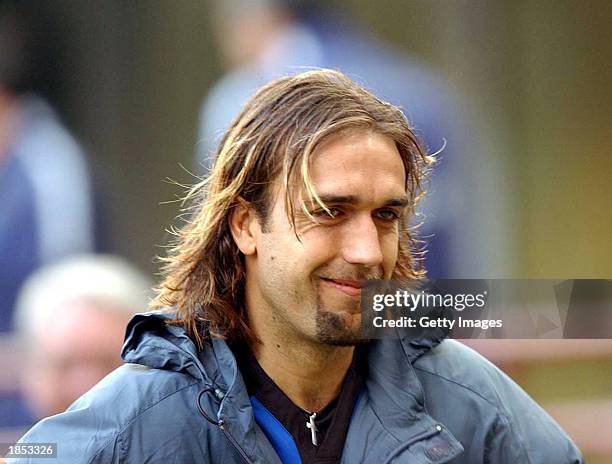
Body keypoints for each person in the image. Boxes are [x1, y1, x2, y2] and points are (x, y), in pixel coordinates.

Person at [10, 70, 582, 463]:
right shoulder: (136, 423)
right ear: (245, 225)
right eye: (329, 211)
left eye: (386, 215)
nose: (366, 250)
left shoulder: (465, 400)